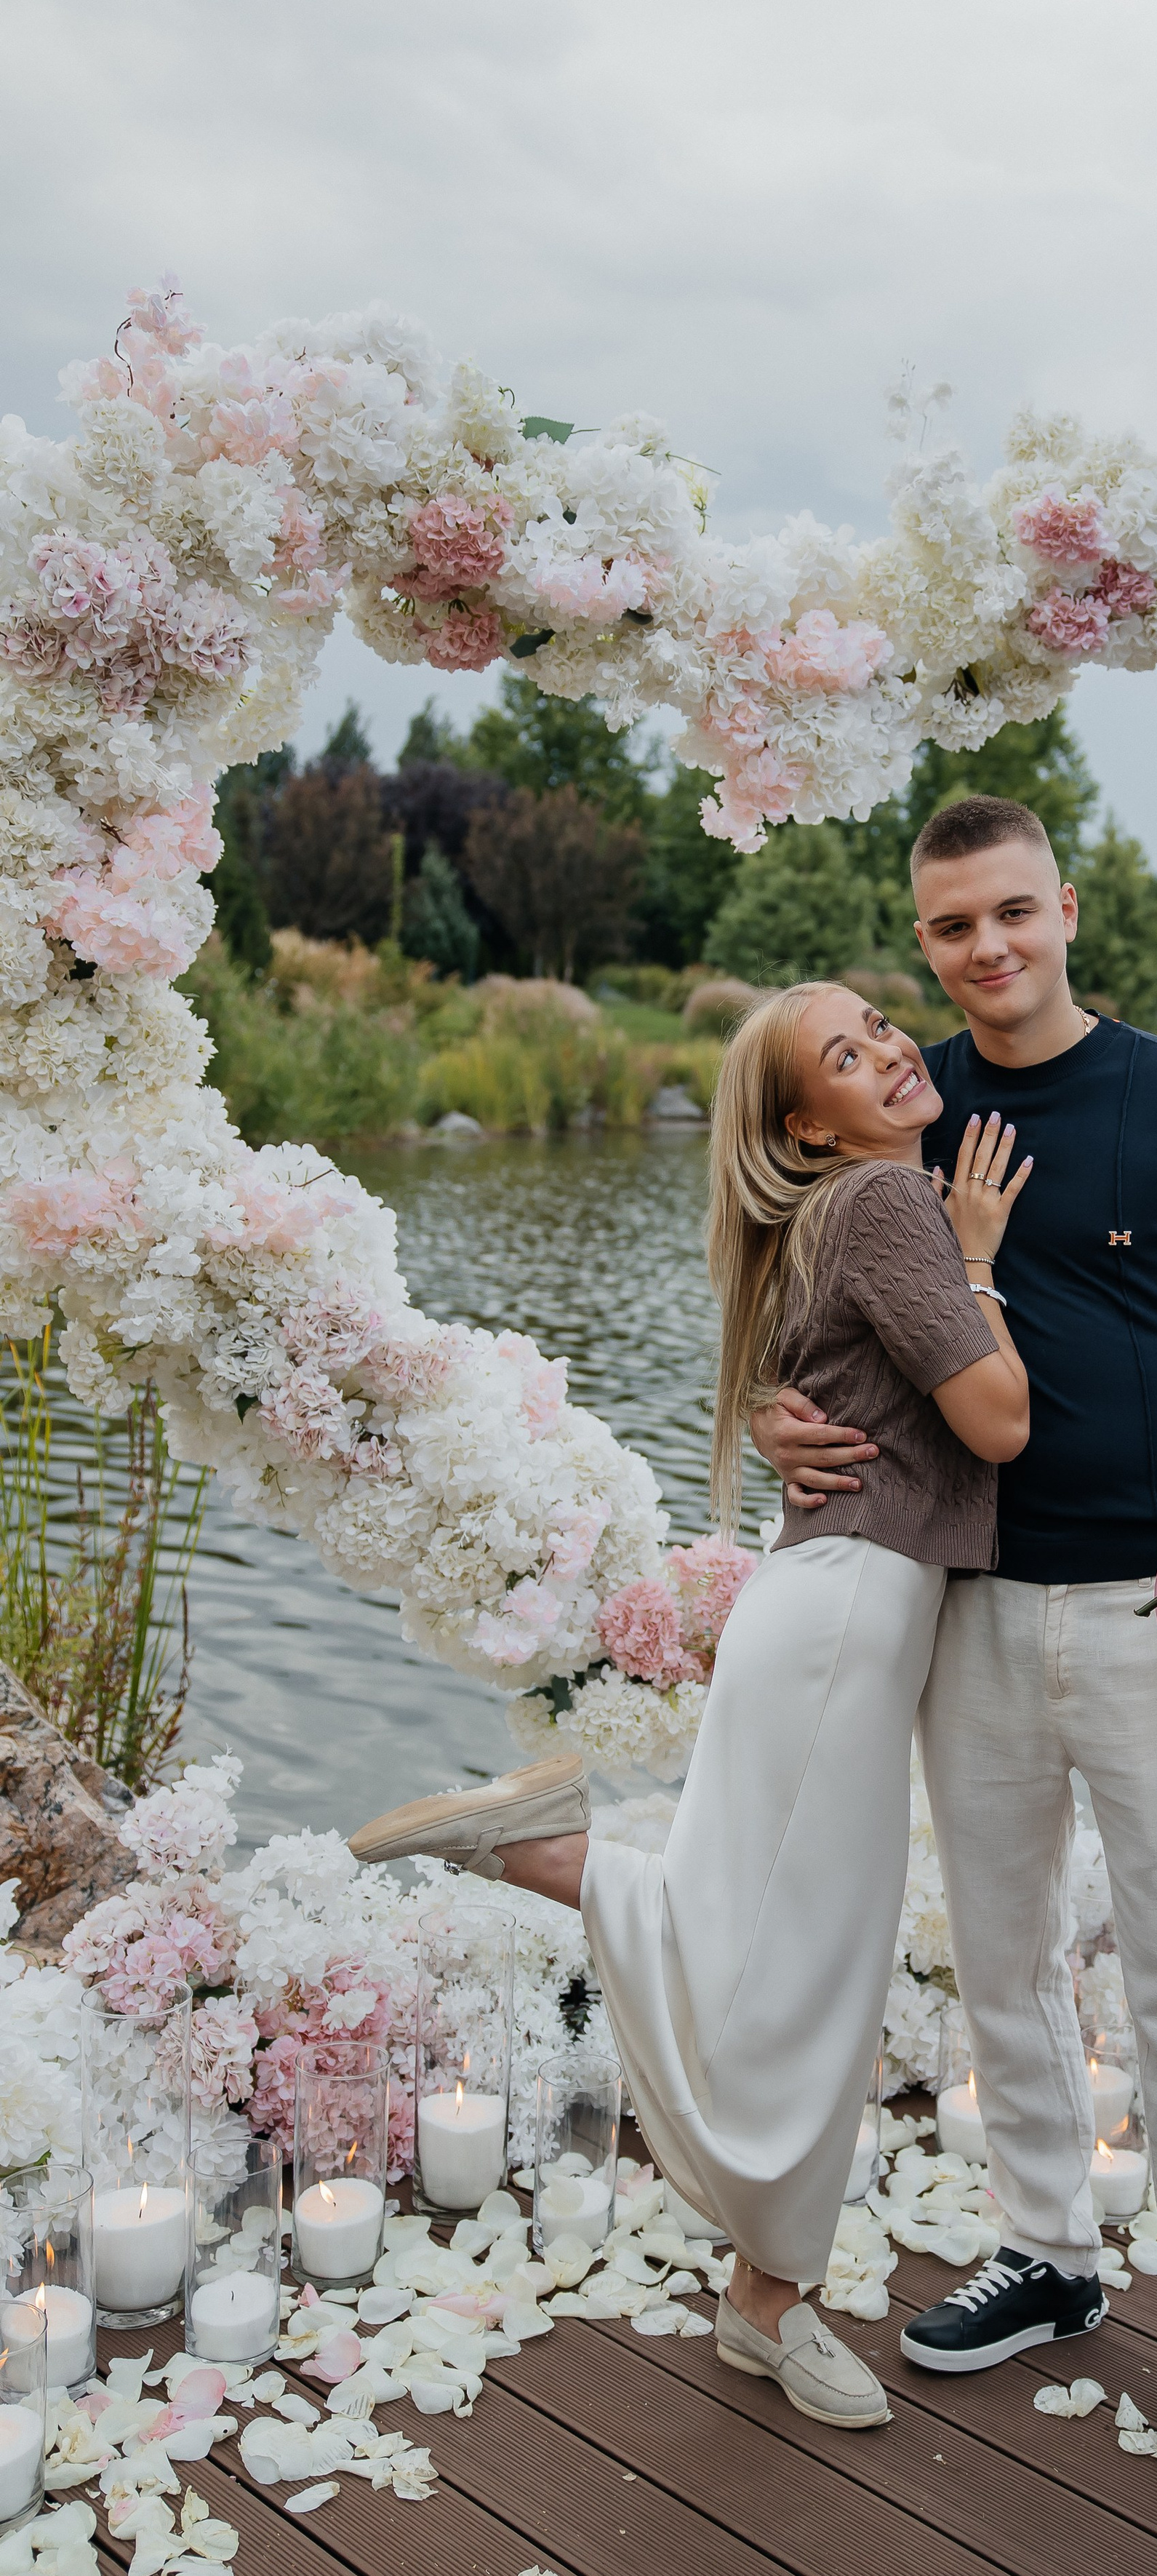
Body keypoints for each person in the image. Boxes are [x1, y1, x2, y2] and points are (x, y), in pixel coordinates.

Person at [752, 797, 1157, 2532]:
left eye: (1011, 915)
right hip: (964, 1601)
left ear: (1068, 908)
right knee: (1002, 1961)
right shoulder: (906, 1112)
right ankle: (1048, 2251)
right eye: (952, 929)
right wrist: (768, 1411)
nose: (985, 952)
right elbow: (808, 1290)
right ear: (923, 948)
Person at [350, 979, 1032, 2432]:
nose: (889, 1053)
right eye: (843, 1059)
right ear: (806, 1121)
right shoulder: (890, 1207)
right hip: (847, 1616)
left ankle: (756, 2292)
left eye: (879, 1030)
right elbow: (998, 1421)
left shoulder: (820, 1224)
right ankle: (765, 2290)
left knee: (779, 1945)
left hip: (831, 1614)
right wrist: (976, 1256)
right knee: (812, 1971)